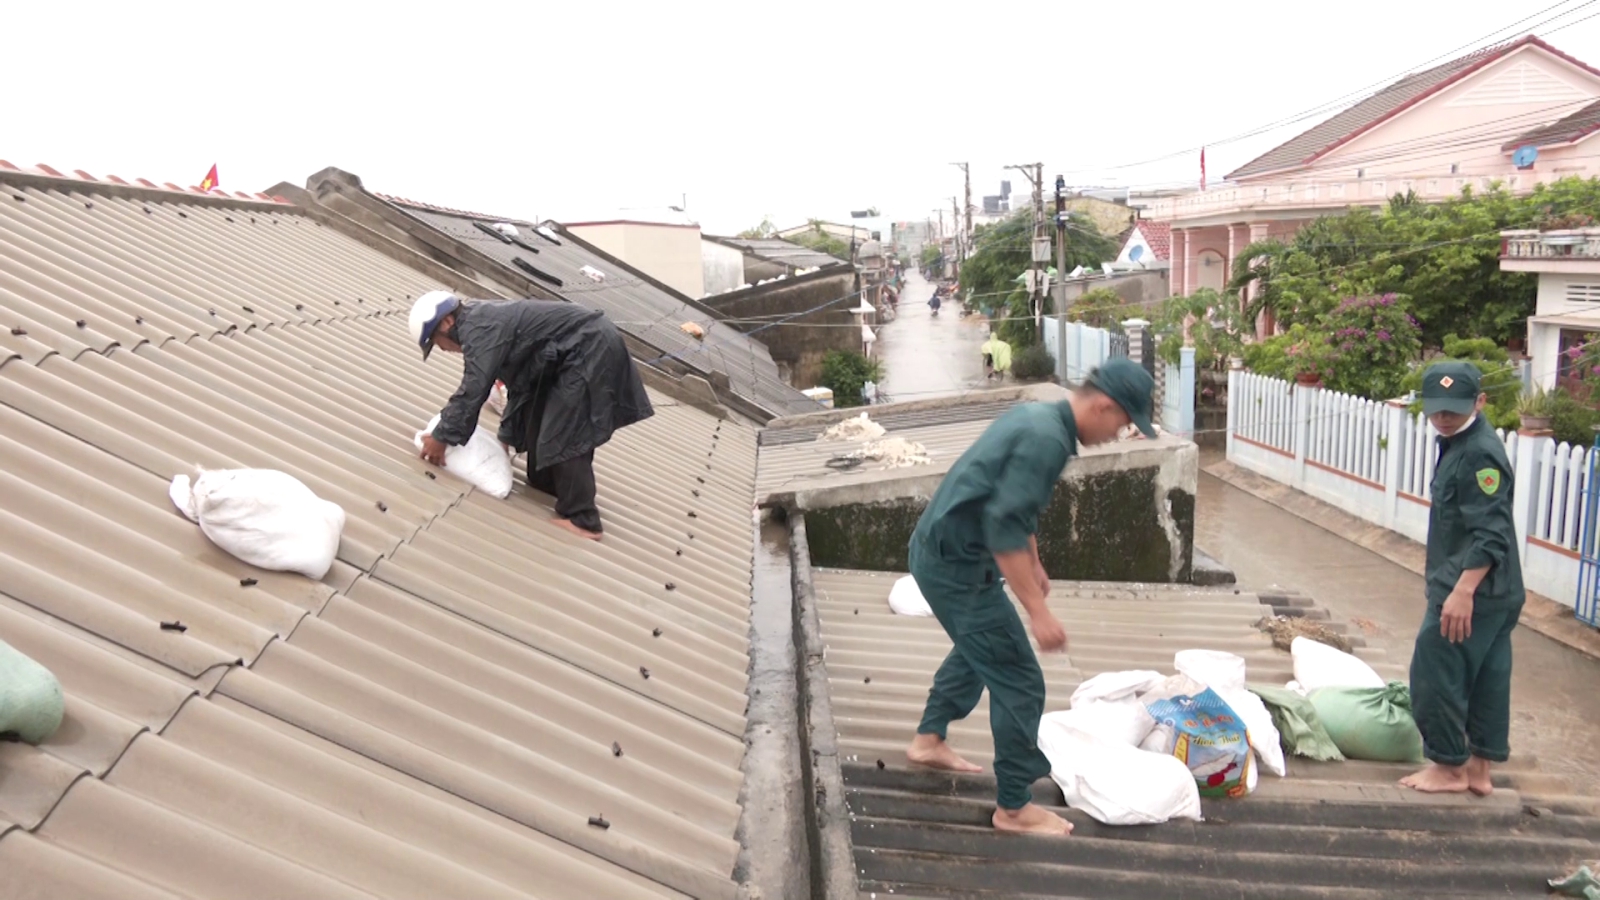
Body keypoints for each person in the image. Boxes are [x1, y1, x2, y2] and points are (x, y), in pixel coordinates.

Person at [904, 359, 1158, 835]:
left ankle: (929, 738)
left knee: (982, 646)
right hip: (955, 565)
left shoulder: (1041, 419)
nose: (1118, 436)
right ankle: (1014, 807)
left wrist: (1034, 561)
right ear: (1104, 406)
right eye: (1123, 425)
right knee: (1020, 678)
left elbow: (1014, 507)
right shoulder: (1048, 438)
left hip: (945, 553)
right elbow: (1002, 526)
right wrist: (1037, 612)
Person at [409, 291, 653, 541]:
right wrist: (503, 439)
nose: (442, 349)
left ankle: (584, 519)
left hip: (589, 347)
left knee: (565, 431)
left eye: (436, 342)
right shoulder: (481, 325)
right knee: (539, 470)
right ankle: (551, 483)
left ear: (447, 322)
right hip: (569, 356)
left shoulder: (479, 329)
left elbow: (473, 389)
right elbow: (522, 387)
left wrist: (442, 437)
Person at [1400, 362, 1525, 795]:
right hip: (1498, 591)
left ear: (1480, 402)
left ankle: (1449, 767)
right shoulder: (1460, 444)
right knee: (1489, 675)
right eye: (1437, 409)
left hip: (1472, 587)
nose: (1444, 417)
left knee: (1435, 666)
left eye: (1454, 410)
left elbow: (1491, 533)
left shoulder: (1479, 453)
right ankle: (1479, 771)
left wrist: (1462, 592)